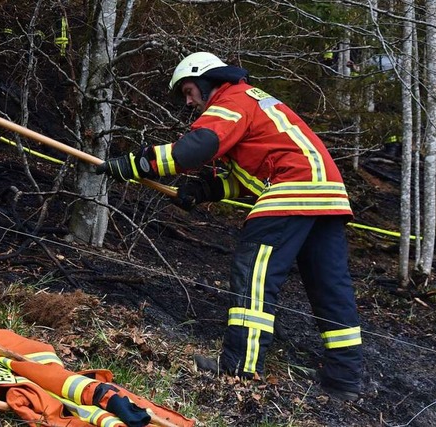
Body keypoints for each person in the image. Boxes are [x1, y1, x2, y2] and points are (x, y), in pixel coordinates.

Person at [96, 52, 363, 401]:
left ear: (208, 80)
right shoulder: (254, 104)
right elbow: (252, 175)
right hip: (324, 194)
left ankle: (240, 368)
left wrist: (138, 163)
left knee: (253, 275)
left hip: (292, 187)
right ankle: (344, 378)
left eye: (189, 91)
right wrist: (206, 190)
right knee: (330, 285)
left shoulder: (231, 99)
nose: (189, 101)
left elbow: (197, 147)